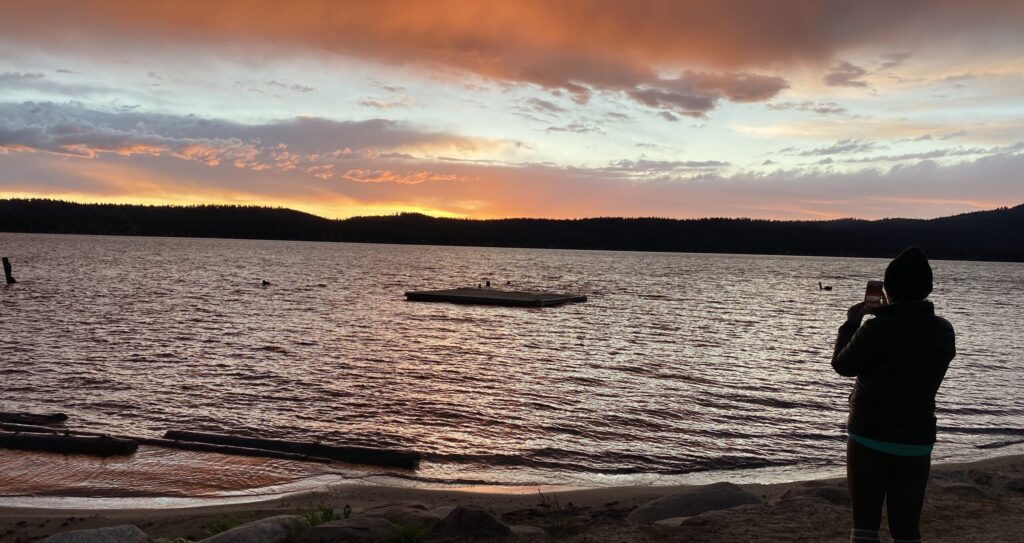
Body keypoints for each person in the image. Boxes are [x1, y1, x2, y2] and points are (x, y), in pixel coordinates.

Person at [832, 247, 956, 543]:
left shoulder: (877, 329)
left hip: (870, 435)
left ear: (888, 289)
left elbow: (842, 365)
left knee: (865, 526)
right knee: (906, 528)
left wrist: (852, 324)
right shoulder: (943, 331)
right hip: (916, 438)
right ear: (927, 289)